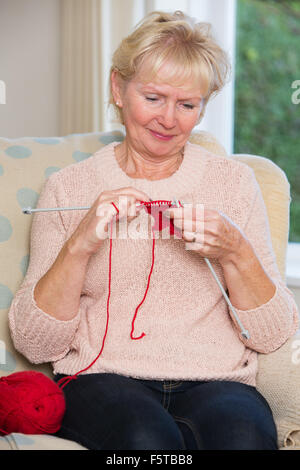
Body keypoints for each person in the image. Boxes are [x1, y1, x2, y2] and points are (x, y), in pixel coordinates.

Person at [8, 10, 299, 450]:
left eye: (187, 105)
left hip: (216, 379)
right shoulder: (68, 187)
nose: (169, 119)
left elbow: (273, 334)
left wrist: (235, 251)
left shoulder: (235, 184)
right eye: (153, 98)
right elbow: (35, 342)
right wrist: (80, 245)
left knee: (242, 438)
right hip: (104, 378)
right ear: (117, 88)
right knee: (147, 441)